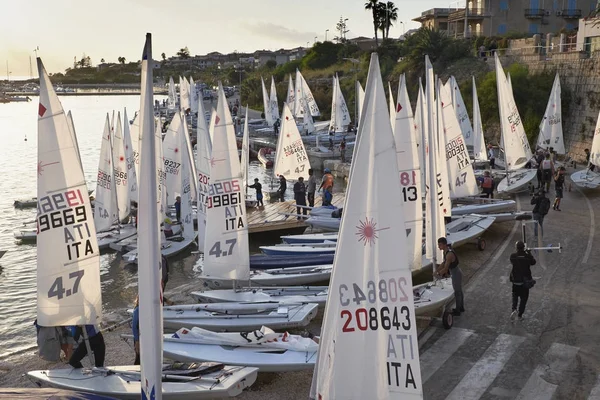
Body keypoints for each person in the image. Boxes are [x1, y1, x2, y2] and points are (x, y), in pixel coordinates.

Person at [435, 237, 464, 316]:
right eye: (438, 245)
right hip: (455, 272)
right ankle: (461, 307)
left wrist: (438, 274)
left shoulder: (449, 254)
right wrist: (437, 270)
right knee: (459, 291)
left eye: (440, 245)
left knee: (457, 292)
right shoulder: (446, 251)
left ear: (444, 245)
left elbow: (445, 268)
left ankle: (458, 310)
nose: (438, 246)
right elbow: (444, 263)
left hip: (456, 274)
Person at [509, 241, 536, 321]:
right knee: (524, 299)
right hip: (525, 282)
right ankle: (520, 315)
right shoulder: (527, 256)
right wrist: (528, 253)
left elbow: (512, 261)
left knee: (515, 296)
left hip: (515, 281)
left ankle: (514, 309)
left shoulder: (513, 256)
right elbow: (533, 262)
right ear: (523, 247)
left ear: (516, 247)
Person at [132, 296, 140, 365]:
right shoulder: (137, 310)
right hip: (139, 338)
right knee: (138, 357)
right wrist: (137, 341)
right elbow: (134, 327)